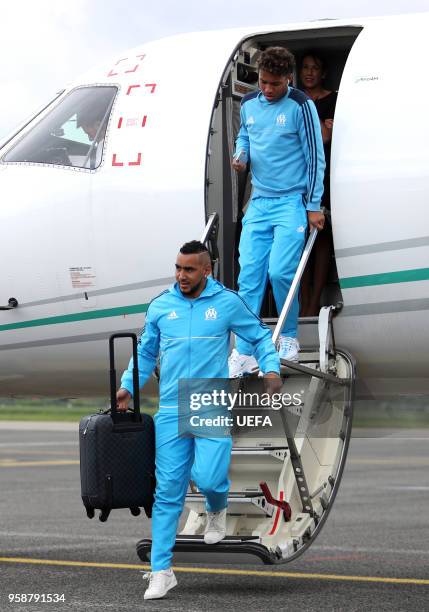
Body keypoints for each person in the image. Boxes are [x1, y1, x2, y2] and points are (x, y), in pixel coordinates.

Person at [116, 240, 281, 600]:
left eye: (189, 269)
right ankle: (161, 570)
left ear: (206, 270)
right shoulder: (161, 305)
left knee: (208, 477)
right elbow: (145, 352)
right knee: (167, 493)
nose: (181, 275)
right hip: (172, 407)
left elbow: (260, 336)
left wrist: (270, 369)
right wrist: (128, 386)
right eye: (177, 267)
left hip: (209, 401)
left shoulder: (227, 303)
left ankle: (216, 508)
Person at [229, 46, 325, 378]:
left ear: (287, 78)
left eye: (274, 83)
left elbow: (315, 157)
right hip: (259, 202)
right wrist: (241, 154)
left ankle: (288, 337)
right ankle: (243, 351)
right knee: (249, 276)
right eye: (263, 82)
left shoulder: (301, 105)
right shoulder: (249, 104)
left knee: (281, 272)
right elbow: (245, 135)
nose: (267, 89)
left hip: (290, 202)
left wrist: (313, 205)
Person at [299, 52, 338, 317]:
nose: (310, 72)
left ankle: (314, 302)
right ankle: (301, 302)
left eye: (315, 68)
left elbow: (327, 137)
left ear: (323, 73)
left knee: (322, 238)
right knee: (299, 239)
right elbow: (319, 135)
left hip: (323, 173)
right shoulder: (295, 100)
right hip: (298, 175)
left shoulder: (333, 100)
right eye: (305, 68)